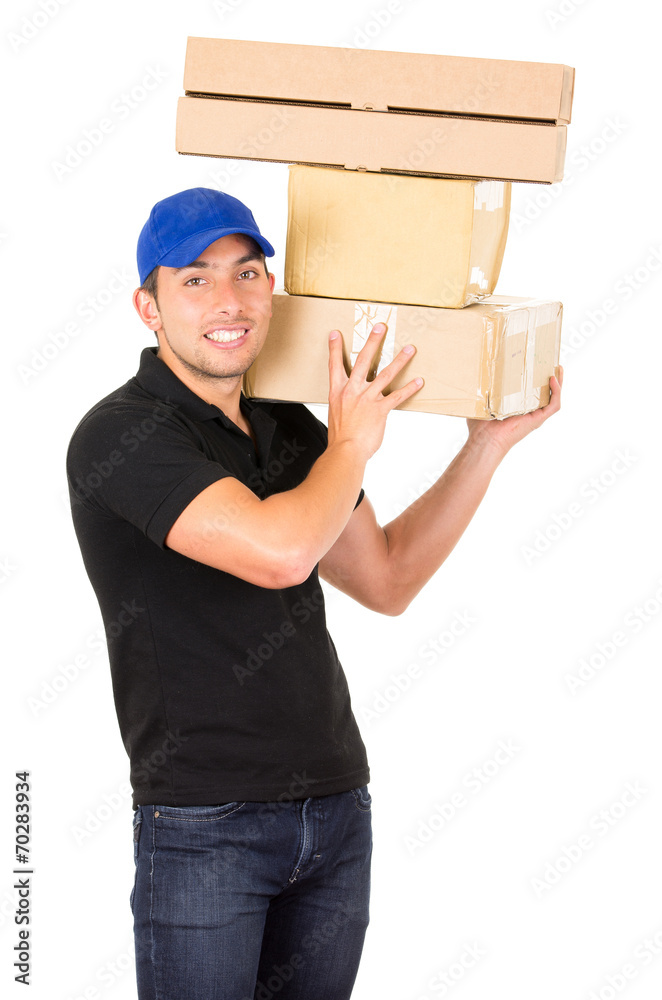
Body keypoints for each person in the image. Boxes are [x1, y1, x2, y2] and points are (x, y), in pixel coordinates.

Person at [66, 186, 562, 1000]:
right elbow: (281, 553)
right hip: (205, 826)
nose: (229, 301)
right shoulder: (122, 435)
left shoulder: (287, 426)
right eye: (194, 280)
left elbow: (389, 576)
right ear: (147, 307)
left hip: (334, 810)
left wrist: (485, 448)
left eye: (249, 273)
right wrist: (356, 446)